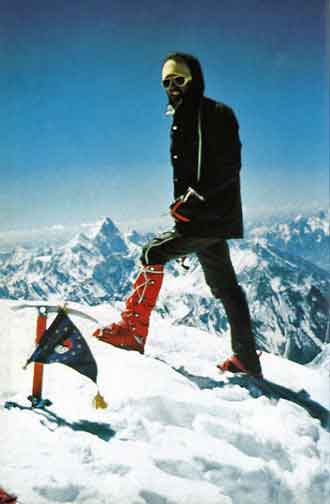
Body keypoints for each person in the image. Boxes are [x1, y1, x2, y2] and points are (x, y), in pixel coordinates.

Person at [93, 52, 262, 376]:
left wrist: (194, 200)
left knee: (151, 252)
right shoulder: (183, 118)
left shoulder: (213, 114)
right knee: (226, 286)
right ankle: (246, 359)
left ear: (194, 80)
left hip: (208, 216)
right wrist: (187, 205)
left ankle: (133, 330)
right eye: (166, 82)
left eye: (178, 79)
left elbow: (229, 165)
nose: (172, 86)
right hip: (208, 217)